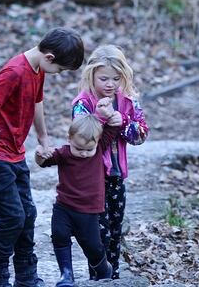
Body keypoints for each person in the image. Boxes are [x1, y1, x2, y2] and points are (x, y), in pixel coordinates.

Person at [0, 28, 84, 287]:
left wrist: (43, 138)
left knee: (27, 213)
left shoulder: (37, 69)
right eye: (61, 70)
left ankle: (26, 276)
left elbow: (37, 102)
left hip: (14, 154)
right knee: (12, 217)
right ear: (49, 57)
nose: (59, 74)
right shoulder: (15, 71)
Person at [71, 44, 149, 279]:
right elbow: (82, 139)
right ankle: (98, 277)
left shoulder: (127, 101)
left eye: (116, 78)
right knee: (97, 232)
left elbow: (141, 135)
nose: (110, 84)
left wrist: (122, 121)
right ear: (91, 75)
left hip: (116, 176)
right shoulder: (83, 102)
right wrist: (100, 119)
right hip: (91, 178)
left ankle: (112, 277)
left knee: (115, 230)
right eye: (104, 78)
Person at [35, 114, 112, 286]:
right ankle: (66, 274)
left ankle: (103, 269)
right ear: (69, 139)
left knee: (92, 246)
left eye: (88, 150)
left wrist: (110, 113)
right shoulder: (63, 153)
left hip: (89, 210)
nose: (84, 153)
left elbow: (114, 127)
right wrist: (40, 154)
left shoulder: (99, 148)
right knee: (59, 235)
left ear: (98, 143)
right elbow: (43, 161)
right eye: (78, 148)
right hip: (64, 206)